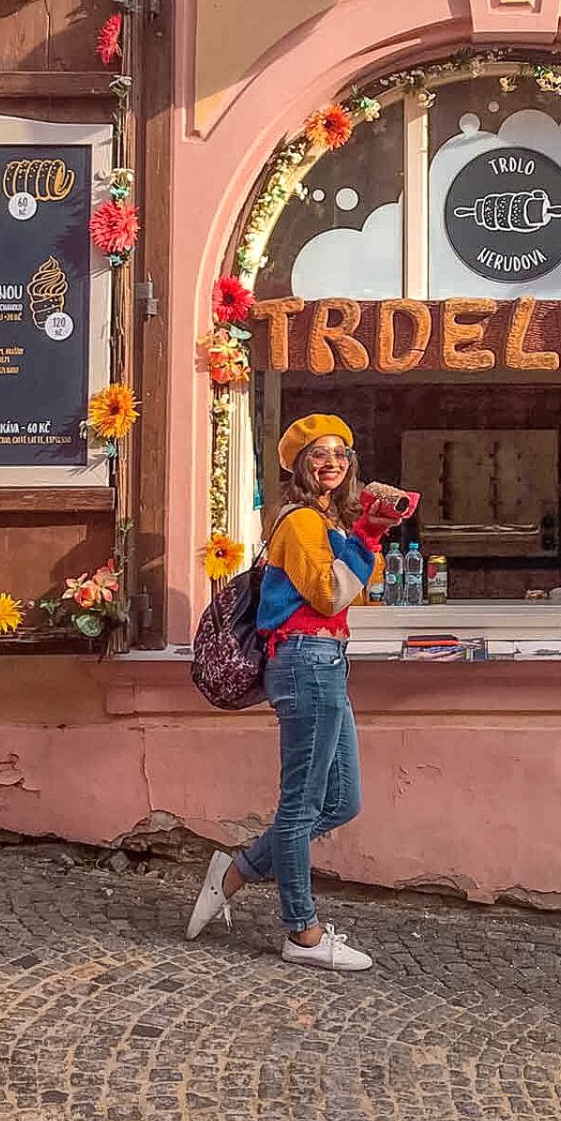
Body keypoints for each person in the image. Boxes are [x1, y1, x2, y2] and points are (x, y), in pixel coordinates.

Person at [185, 414, 400, 970]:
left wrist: (361, 534)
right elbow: (330, 595)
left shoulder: (328, 521)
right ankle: (301, 933)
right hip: (306, 660)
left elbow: (342, 592)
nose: (331, 463)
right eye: (317, 455)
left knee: (341, 800)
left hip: (325, 661)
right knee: (302, 806)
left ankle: (234, 872)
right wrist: (370, 537)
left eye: (341, 454)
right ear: (299, 467)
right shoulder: (303, 522)